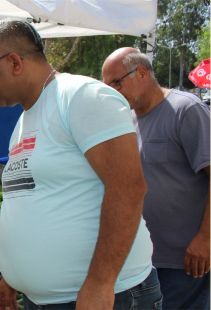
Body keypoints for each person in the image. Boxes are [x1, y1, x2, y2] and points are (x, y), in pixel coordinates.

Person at [0, 20, 160, 310]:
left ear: (14, 62)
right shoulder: (24, 120)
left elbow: (128, 188)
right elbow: (31, 196)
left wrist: (101, 283)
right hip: (45, 300)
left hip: (105, 297)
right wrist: (12, 276)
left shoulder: (81, 96)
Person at [102, 48, 210, 310]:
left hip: (185, 260)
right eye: (108, 86)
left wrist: (206, 238)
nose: (114, 92)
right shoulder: (128, 120)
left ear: (142, 73)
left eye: (117, 82)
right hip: (143, 261)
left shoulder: (186, 110)